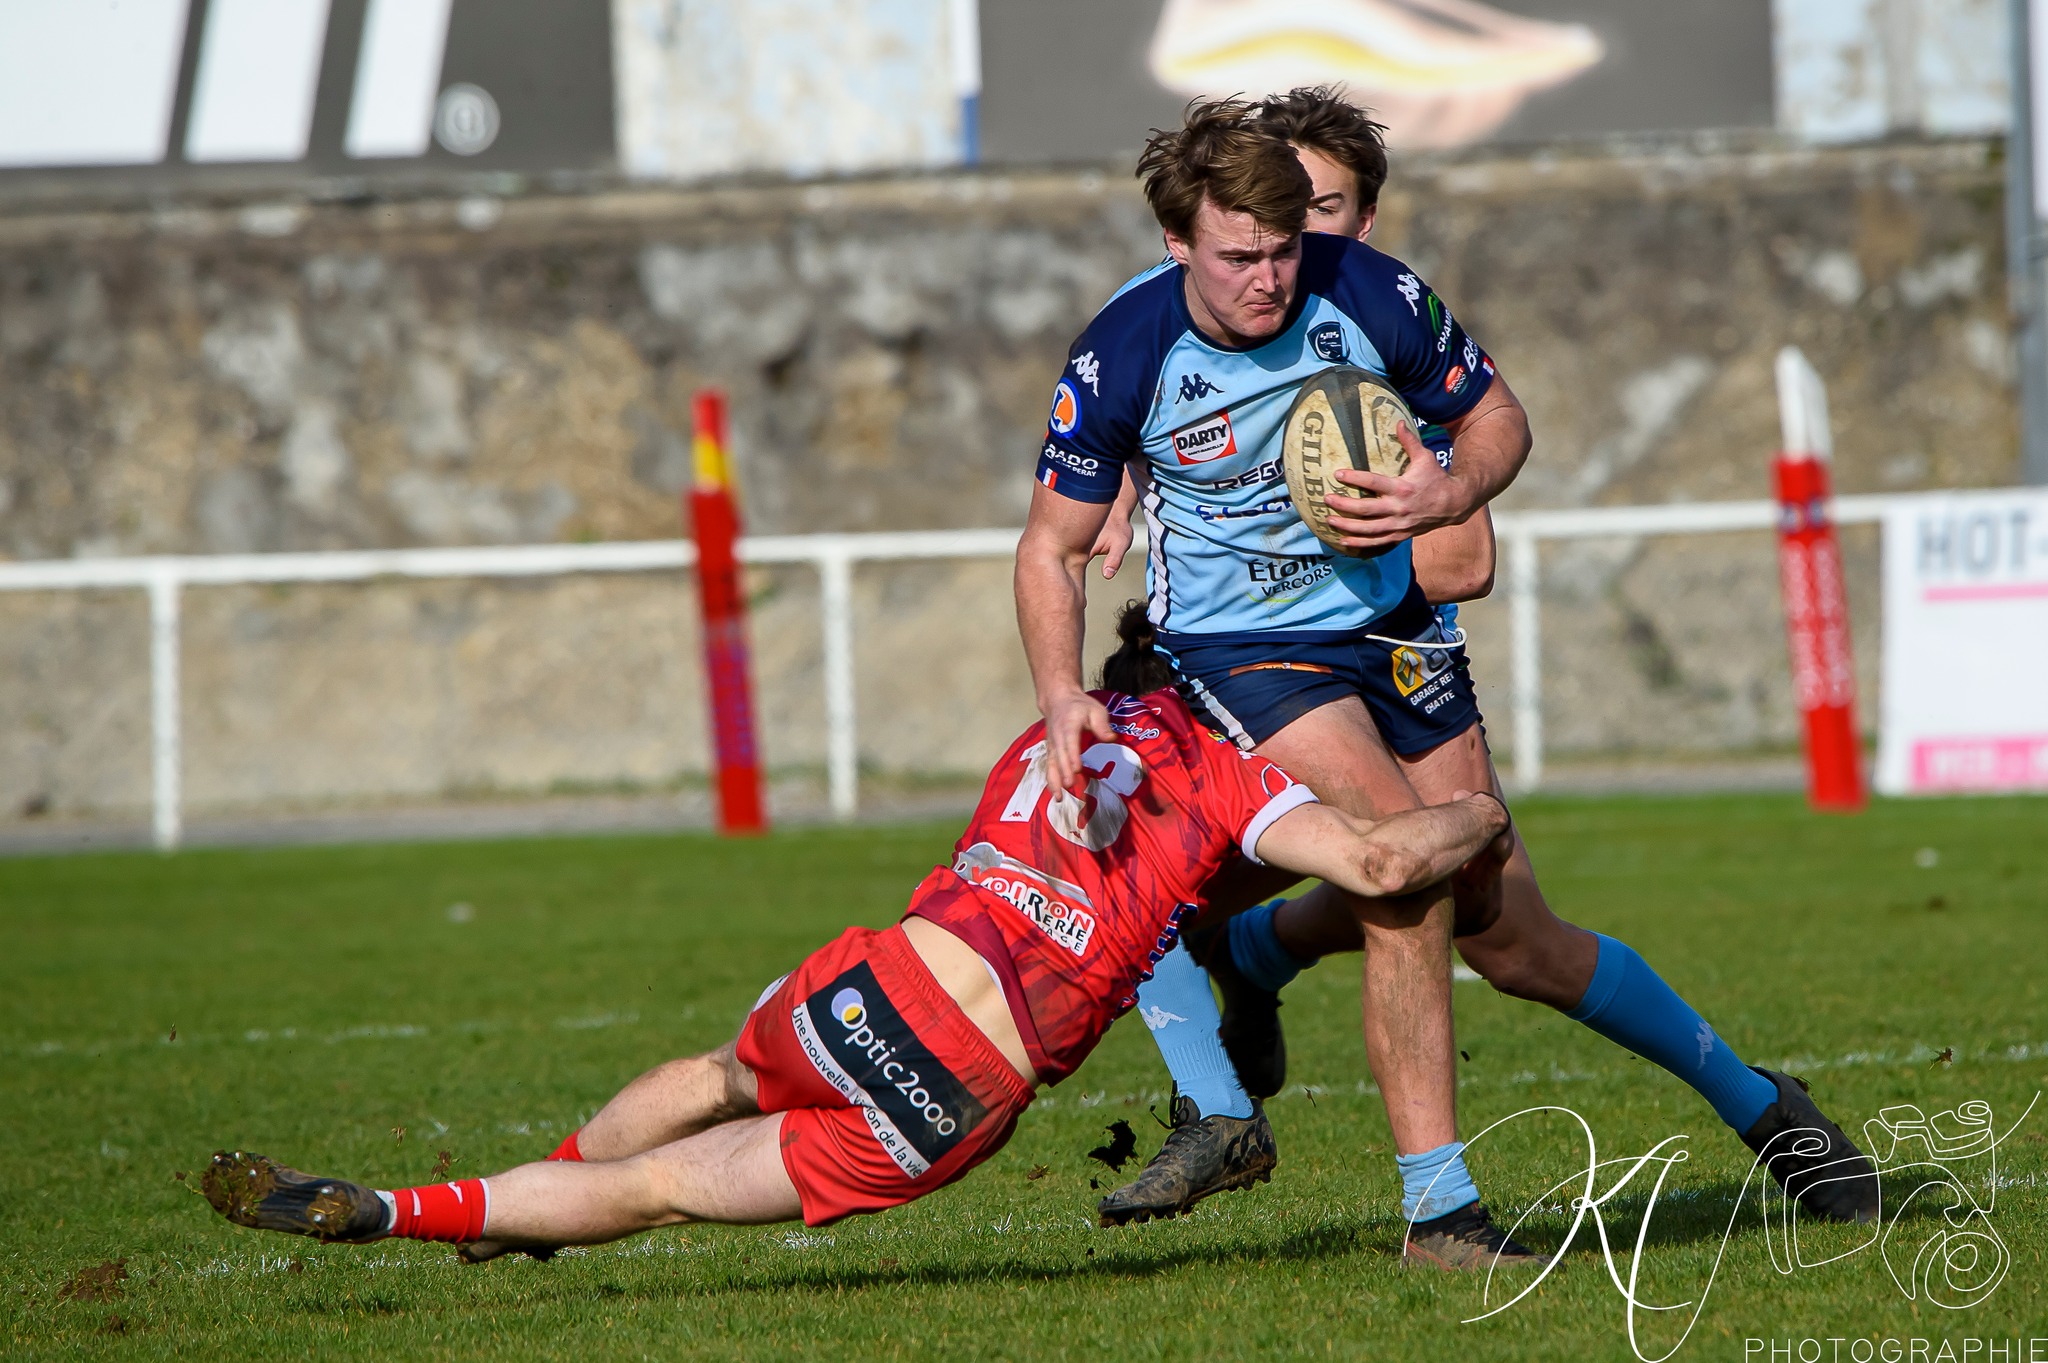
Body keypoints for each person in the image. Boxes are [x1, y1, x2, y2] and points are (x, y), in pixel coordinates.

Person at [1014, 93, 1881, 1246]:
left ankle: (1759, 1103)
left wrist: (1445, 485)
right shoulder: (1124, 350)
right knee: (1397, 874)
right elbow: (1048, 545)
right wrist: (1063, 689)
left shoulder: (1371, 299)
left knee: (1503, 926)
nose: (1272, 277)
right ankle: (1435, 1209)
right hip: (1247, 654)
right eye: (1244, 254)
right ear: (1177, 244)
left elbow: (1488, 459)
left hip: (1400, 643)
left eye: (1296, 243)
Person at [198, 643, 1522, 1263]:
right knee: (664, 1188)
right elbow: (1381, 867)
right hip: (958, 1086)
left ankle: (440, 1205)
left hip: (874, 982)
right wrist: (1472, 810)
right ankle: (462, 1216)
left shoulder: (1055, 724)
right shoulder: (1239, 779)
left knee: (717, 1072)